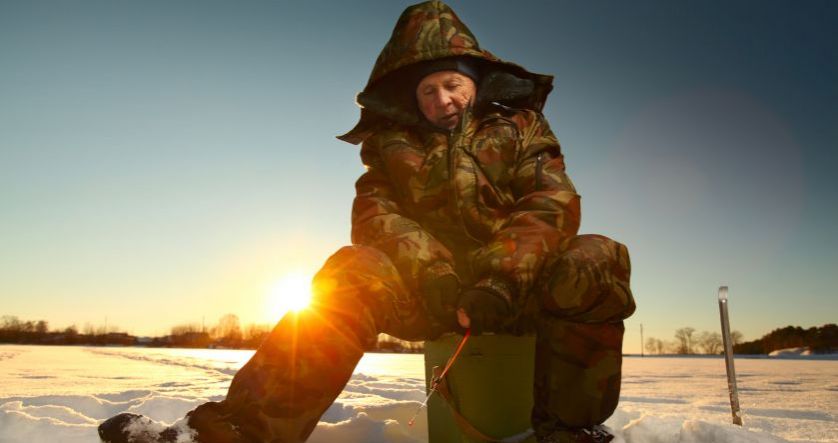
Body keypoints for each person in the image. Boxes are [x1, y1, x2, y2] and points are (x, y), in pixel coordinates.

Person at [98, 2, 635, 442]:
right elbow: (376, 217)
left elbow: (550, 202)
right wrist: (434, 274)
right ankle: (238, 430)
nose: (442, 99)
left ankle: (573, 432)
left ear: (474, 80)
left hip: (519, 290)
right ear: (411, 98)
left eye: (452, 84)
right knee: (353, 268)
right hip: (433, 292)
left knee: (596, 256)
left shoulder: (521, 128)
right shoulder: (389, 148)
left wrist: (499, 277)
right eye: (428, 91)